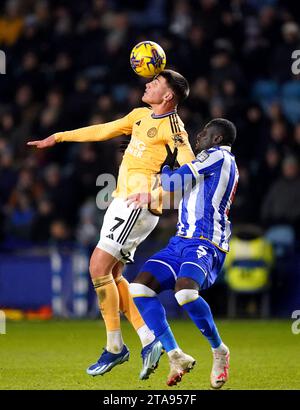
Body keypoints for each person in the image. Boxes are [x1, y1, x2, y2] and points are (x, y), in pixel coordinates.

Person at [27, 70, 195, 379]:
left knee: (96, 268)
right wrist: (60, 136)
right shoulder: (140, 115)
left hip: (137, 205)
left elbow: (191, 171)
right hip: (121, 201)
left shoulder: (174, 127)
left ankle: (116, 347)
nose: (148, 84)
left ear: (169, 96)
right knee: (113, 274)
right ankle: (147, 340)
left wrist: (155, 192)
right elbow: (104, 129)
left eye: (156, 83)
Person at [128, 118, 239, 388]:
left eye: (204, 133)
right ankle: (175, 354)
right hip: (180, 241)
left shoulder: (220, 157)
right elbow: (178, 193)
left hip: (206, 241)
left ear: (216, 139)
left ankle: (219, 350)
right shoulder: (206, 166)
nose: (198, 137)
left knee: (185, 293)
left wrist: (165, 173)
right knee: (139, 289)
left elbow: (176, 181)